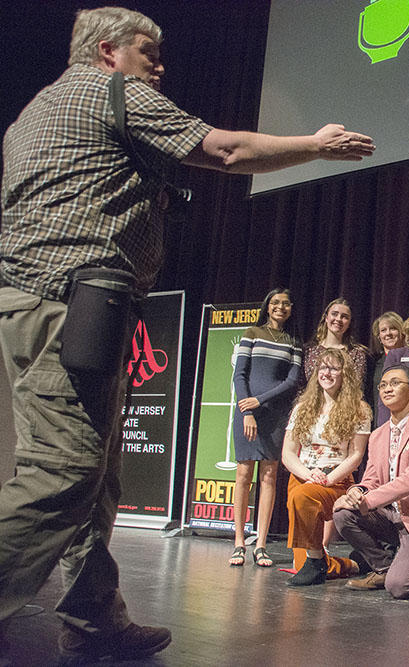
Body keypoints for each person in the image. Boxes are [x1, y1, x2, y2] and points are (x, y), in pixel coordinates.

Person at [0, 7, 374, 660]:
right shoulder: (112, 91)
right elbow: (225, 150)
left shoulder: (37, 108)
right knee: (64, 471)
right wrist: (316, 146)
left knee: (96, 476)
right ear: (109, 51)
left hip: (49, 303)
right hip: (72, 304)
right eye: (149, 52)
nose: (161, 65)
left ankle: (93, 620)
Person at [332, 367, 409, 598]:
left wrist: (366, 500)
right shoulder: (377, 435)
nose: (387, 389)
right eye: (383, 384)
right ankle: (384, 567)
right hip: (388, 517)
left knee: (398, 588)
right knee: (343, 514)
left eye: (395, 383)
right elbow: (371, 478)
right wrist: (357, 491)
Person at [282, 348, 370, 586]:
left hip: (336, 481)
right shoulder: (302, 408)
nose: (327, 373)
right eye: (323, 367)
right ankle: (351, 564)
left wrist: (327, 479)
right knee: (302, 566)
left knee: (302, 496)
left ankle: (318, 559)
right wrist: (308, 474)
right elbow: (288, 454)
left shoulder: (359, 409)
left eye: (333, 368)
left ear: (345, 374)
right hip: (303, 477)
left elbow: (356, 456)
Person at [228, 288, 303, 569]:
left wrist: (260, 400)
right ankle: (238, 541)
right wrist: (248, 410)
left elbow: (291, 381)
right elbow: (240, 375)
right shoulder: (251, 333)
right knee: (244, 474)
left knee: (269, 477)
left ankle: (260, 545)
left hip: (275, 415)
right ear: (267, 306)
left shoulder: (294, 342)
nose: (279, 307)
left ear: (290, 308)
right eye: (275, 303)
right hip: (247, 414)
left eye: (285, 303)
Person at [303, 298, 374, 404]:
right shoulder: (309, 351)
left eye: (344, 317)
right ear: (326, 318)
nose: (339, 319)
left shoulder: (356, 353)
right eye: (334, 314)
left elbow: (356, 388)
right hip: (311, 408)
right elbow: (302, 387)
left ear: (349, 323)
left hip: (343, 409)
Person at [370, 311, 406, 408]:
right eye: (383, 330)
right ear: (379, 337)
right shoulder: (373, 362)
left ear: (402, 332)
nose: (388, 333)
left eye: (393, 329)